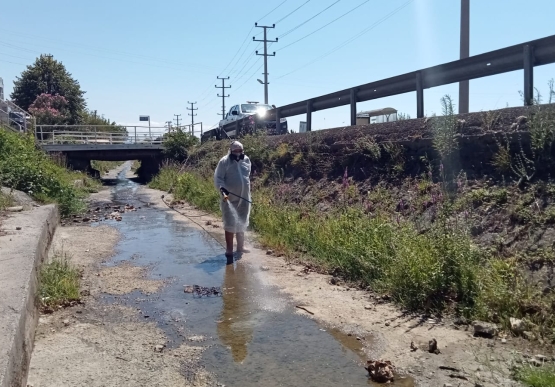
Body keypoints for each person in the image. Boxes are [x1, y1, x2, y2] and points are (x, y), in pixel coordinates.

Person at [214, 141, 252, 259]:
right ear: (230, 151)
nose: (238, 153)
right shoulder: (224, 162)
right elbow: (218, 178)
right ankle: (229, 249)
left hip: (244, 196)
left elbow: (246, 175)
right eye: (235, 150)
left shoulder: (246, 160)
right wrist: (222, 188)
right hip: (229, 198)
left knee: (242, 220)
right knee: (230, 223)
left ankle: (240, 247)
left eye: (240, 150)